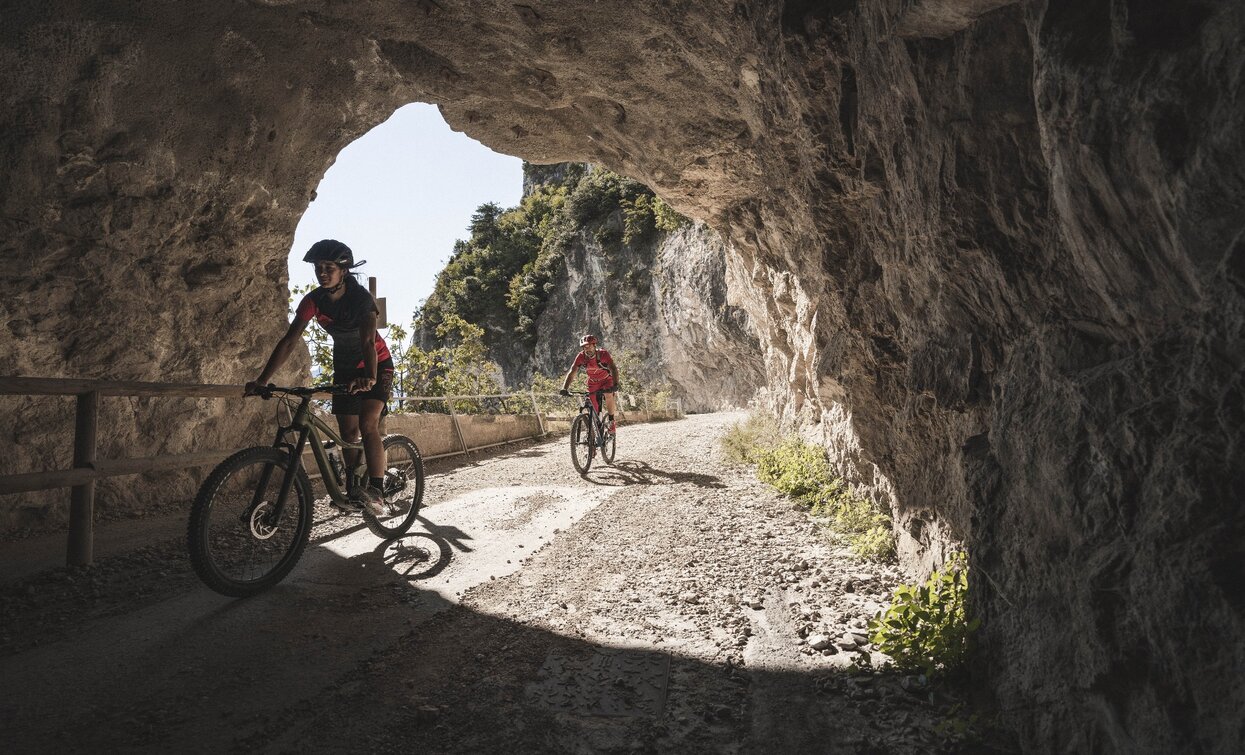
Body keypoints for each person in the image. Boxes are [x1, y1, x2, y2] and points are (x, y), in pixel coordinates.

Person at [245, 239, 393, 516]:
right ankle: (352, 488)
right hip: (345, 370)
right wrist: (262, 379)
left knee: (367, 423)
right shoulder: (314, 301)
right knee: (347, 433)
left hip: (377, 366)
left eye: (329, 268)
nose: (322, 273)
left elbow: (368, 343)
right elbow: (290, 340)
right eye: (318, 268)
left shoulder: (361, 300)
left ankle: (377, 490)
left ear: (344, 271)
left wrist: (370, 378)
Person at [559, 334, 620, 431]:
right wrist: (564, 388)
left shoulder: (603, 354)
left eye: (590, 346)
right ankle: (595, 433)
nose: (588, 349)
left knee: (608, 394)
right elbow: (572, 372)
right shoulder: (581, 357)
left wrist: (616, 384)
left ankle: (612, 421)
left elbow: (613, 369)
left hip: (606, 380)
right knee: (593, 406)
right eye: (585, 347)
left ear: (594, 345)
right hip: (593, 383)